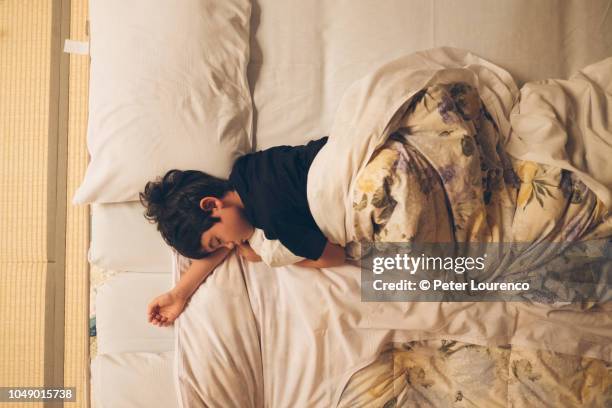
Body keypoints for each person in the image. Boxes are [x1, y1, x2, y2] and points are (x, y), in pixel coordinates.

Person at [139, 136, 346, 326]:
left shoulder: (274, 220)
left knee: (377, 279)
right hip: (335, 147)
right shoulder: (246, 169)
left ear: (212, 204)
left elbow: (336, 256)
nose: (230, 246)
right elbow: (222, 236)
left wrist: (266, 257)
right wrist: (179, 294)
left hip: (349, 187)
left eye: (218, 240)